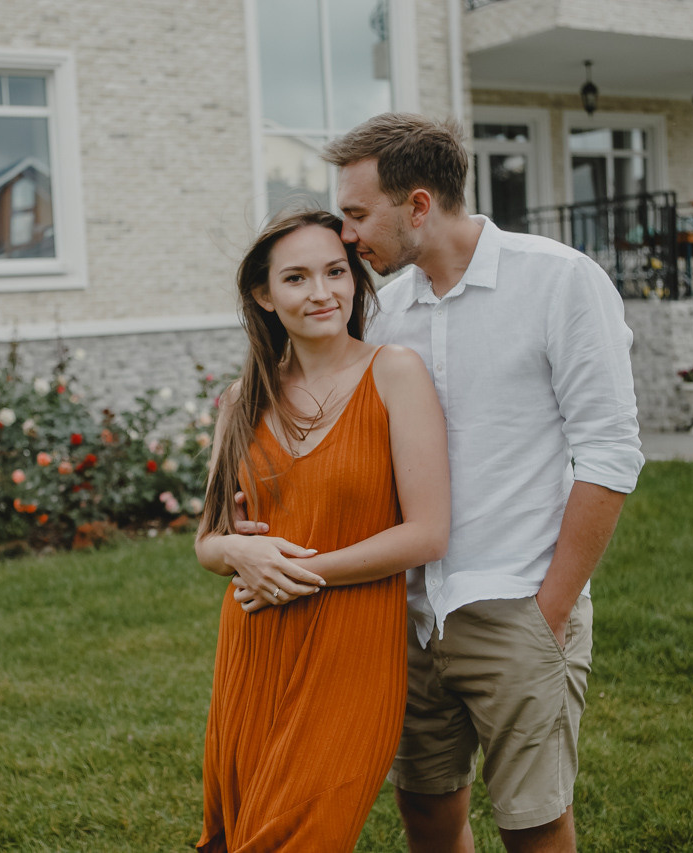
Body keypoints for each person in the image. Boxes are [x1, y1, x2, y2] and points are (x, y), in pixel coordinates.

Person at [316, 113, 645, 852]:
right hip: (407, 613)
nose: (346, 233)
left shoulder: (559, 280)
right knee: (427, 814)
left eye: (358, 213)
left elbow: (610, 452)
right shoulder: (385, 312)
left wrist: (549, 608)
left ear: (420, 205)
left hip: (519, 603)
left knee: (535, 828)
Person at [194, 208, 450, 853]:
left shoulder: (395, 372)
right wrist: (236, 550)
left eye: (336, 272)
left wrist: (287, 572)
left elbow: (427, 533)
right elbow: (208, 541)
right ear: (264, 294)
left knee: (302, 832)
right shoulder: (239, 400)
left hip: (353, 644)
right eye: (297, 278)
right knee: (241, 832)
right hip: (255, 644)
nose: (322, 293)